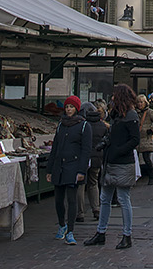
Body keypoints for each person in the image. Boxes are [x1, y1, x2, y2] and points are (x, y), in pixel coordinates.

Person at [85, 83, 140, 250]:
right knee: (105, 199)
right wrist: (105, 143)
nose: (112, 98)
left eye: (115, 95)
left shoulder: (131, 116)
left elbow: (134, 139)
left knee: (123, 199)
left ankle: (127, 235)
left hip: (122, 162)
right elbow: (111, 134)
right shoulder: (116, 115)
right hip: (110, 162)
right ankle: (101, 232)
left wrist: (117, 150)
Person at [48, 95, 90, 245]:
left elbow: (86, 151)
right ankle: (62, 225)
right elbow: (55, 148)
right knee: (59, 200)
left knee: (72, 199)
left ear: (77, 109)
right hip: (59, 167)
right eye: (67, 107)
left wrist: (81, 171)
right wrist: (49, 169)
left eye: (71, 107)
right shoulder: (61, 125)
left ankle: (70, 231)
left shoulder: (84, 126)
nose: (69, 109)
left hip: (73, 167)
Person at [81, 101, 107, 225]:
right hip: (97, 157)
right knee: (94, 182)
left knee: (80, 184)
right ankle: (96, 208)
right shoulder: (102, 125)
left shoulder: (82, 125)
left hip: (83, 158)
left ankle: (80, 213)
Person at [136, 93, 153, 185]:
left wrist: (152, 130)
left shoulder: (149, 112)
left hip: (146, 138)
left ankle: (151, 177)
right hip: (137, 139)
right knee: (135, 159)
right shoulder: (134, 112)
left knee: (147, 159)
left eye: (141, 102)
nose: (140, 104)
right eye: (138, 102)